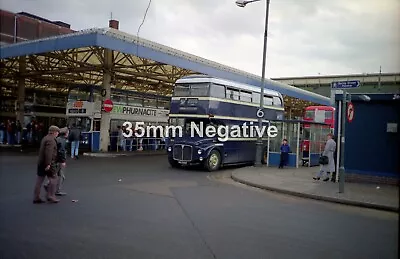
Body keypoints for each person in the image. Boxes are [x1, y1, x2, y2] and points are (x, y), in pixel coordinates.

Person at [33, 125, 60, 204]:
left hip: (41, 162)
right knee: (54, 179)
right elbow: (49, 153)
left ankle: (36, 197)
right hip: (48, 163)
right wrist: (48, 164)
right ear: (54, 132)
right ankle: (51, 196)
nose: (58, 134)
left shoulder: (45, 138)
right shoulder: (51, 140)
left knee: (39, 180)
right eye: (57, 132)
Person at [44, 127, 68, 196]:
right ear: (66, 133)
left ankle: (49, 185)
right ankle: (55, 189)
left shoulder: (57, 139)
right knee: (60, 176)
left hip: (55, 160)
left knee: (56, 174)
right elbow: (62, 151)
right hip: (58, 160)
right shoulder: (63, 141)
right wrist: (63, 161)